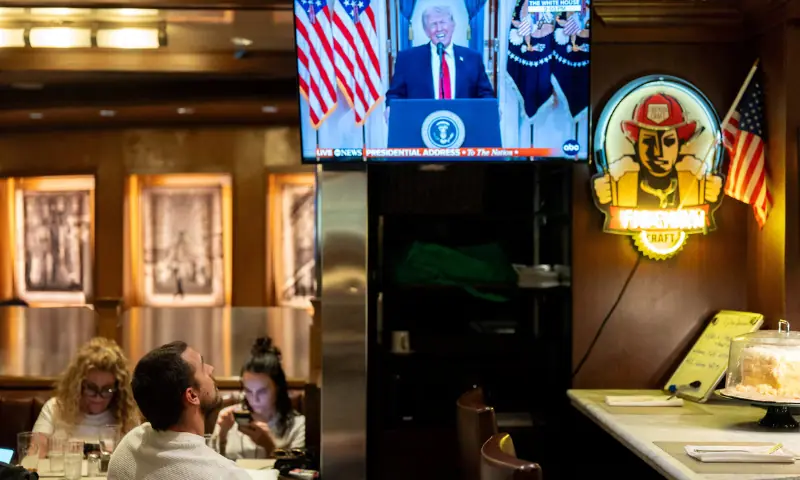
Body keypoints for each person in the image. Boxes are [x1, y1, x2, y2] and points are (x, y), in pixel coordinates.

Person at [107, 341, 250, 480]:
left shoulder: (128, 448)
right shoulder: (225, 475)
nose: (211, 368)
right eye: (202, 367)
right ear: (192, 395)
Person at [593, 92, 723, 209]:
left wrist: (709, 186)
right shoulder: (621, 177)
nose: (658, 152)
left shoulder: (694, 177)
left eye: (669, 141)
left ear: (680, 143)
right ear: (636, 142)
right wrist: (608, 188)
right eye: (648, 141)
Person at [385, 5, 495, 118]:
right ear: (426, 31)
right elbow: (395, 95)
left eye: (443, 22)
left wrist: (492, 107)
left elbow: (485, 94)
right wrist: (390, 108)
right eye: (433, 24)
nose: (439, 28)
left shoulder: (473, 58)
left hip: (465, 126)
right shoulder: (407, 59)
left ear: (453, 25)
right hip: (420, 127)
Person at [32, 337, 139, 452]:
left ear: (118, 388)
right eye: (91, 388)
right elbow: (34, 456)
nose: (98, 398)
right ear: (78, 385)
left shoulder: (127, 417)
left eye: (107, 390)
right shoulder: (54, 408)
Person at [214, 337, 306, 459]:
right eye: (248, 391)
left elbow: (296, 472)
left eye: (262, 392)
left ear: (278, 387)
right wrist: (222, 435)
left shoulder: (297, 425)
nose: (255, 399)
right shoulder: (229, 418)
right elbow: (211, 466)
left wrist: (270, 446)